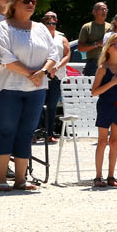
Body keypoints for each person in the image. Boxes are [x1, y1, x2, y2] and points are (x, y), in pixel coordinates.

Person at [0, 0, 56, 191]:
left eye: (33, 1)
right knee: (7, 131)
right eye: (26, 1)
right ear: (14, 4)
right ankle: (1, 178)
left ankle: (20, 180)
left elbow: (53, 54)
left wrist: (42, 73)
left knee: (27, 132)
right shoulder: (2, 28)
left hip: (36, 88)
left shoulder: (42, 29)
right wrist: (30, 74)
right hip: (7, 87)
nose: (31, 5)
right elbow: (3, 57)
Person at [92, 33, 117, 187]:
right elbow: (94, 91)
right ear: (108, 48)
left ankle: (111, 176)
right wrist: (112, 83)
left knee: (114, 142)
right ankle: (98, 176)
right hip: (105, 107)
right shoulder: (103, 68)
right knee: (102, 141)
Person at [40, 9, 70, 139]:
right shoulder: (38, 36)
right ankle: (35, 132)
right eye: (48, 21)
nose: (50, 24)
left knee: (52, 106)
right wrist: (46, 69)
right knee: (38, 105)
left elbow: (67, 55)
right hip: (42, 74)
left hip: (56, 75)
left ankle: (49, 133)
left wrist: (55, 68)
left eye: (53, 22)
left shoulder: (61, 38)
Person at [78, 2, 109, 78]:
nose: (104, 11)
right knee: (91, 89)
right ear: (94, 12)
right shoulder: (87, 27)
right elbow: (81, 48)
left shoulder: (111, 27)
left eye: (106, 9)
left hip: (108, 63)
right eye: (102, 9)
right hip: (93, 64)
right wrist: (97, 44)